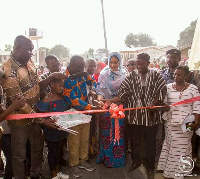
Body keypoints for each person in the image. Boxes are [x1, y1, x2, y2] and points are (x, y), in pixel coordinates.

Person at [1, 35, 66, 179]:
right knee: (19, 154)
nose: (32, 53)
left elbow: (37, 86)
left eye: (32, 50)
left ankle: (35, 174)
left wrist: (51, 78)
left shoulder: (29, 62)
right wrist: (42, 120)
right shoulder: (8, 71)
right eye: (29, 50)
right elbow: (20, 103)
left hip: (36, 114)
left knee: (37, 147)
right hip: (20, 120)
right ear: (17, 48)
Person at [104, 53, 166, 178]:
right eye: (137, 64)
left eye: (142, 64)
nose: (139, 66)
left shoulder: (156, 75)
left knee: (150, 142)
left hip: (151, 117)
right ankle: (136, 162)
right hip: (135, 116)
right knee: (135, 141)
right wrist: (110, 101)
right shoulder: (131, 76)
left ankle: (150, 167)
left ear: (148, 63)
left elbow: (162, 91)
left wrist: (154, 102)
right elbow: (122, 94)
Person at [157, 66, 200, 178]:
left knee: (184, 145)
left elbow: (197, 107)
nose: (176, 76)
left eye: (179, 74)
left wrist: (196, 121)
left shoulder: (193, 89)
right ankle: (170, 171)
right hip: (170, 122)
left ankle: (180, 173)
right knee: (172, 145)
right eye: (175, 74)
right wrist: (165, 107)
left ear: (187, 76)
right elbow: (164, 103)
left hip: (188, 122)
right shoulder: (168, 87)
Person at [62, 55, 98, 178]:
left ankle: (83, 160)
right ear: (72, 65)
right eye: (80, 66)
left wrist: (93, 91)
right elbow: (74, 100)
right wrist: (91, 107)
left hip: (86, 113)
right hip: (73, 114)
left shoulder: (82, 73)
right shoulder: (65, 79)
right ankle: (74, 164)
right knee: (74, 141)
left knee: (84, 139)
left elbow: (92, 81)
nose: (83, 69)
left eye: (83, 66)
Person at [96, 52, 126, 168]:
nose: (113, 65)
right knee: (106, 134)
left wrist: (112, 101)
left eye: (116, 62)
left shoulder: (124, 74)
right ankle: (106, 158)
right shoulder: (104, 74)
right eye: (111, 62)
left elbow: (125, 92)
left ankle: (117, 160)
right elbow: (100, 90)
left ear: (120, 62)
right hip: (106, 109)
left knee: (118, 133)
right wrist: (100, 100)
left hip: (119, 108)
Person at [36, 78, 70, 179]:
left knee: (59, 150)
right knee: (52, 152)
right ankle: (53, 173)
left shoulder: (63, 97)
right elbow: (40, 115)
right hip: (51, 131)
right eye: (59, 85)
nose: (61, 88)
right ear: (52, 85)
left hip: (62, 130)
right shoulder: (46, 99)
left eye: (62, 86)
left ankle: (58, 170)